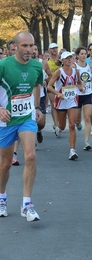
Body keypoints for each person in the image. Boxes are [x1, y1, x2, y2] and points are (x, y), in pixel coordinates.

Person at [0, 31, 44, 222]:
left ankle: (27, 204)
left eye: (31, 46)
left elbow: (36, 85)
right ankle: (1, 198)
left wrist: (37, 107)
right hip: (6, 120)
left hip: (27, 118)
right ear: (15, 47)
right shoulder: (3, 66)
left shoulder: (37, 66)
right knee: (5, 163)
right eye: (24, 46)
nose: (29, 50)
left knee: (30, 155)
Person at [47, 51, 84, 160]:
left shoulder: (76, 71)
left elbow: (79, 82)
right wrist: (58, 93)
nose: (69, 60)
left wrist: (81, 87)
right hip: (61, 101)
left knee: (72, 124)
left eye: (71, 58)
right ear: (62, 60)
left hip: (72, 100)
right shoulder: (59, 72)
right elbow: (49, 86)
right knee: (63, 126)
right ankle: (58, 127)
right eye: (66, 58)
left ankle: (72, 150)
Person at [74, 47, 92, 151]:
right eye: (81, 54)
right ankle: (77, 123)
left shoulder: (88, 66)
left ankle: (87, 141)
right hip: (77, 95)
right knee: (77, 119)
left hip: (88, 94)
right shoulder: (74, 66)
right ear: (77, 55)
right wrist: (79, 84)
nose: (83, 55)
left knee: (87, 118)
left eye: (85, 54)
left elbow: (89, 78)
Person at [42, 42, 62, 136]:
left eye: (56, 48)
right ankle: (56, 124)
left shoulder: (61, 60)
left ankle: (60, 122)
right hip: (51, 85)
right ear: (49, 50)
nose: (54, 50)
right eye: (53, 48)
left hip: (61, 85)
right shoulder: (46, 62)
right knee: (53, 103)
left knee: (60, 104)